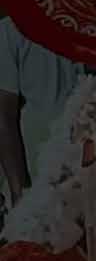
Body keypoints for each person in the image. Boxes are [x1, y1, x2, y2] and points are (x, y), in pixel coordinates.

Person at [0, 11, 83, 209]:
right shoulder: (11, 30)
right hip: (36, 163)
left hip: (80, 160)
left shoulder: (91, 27)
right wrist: (18, 188)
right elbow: (4, 115)